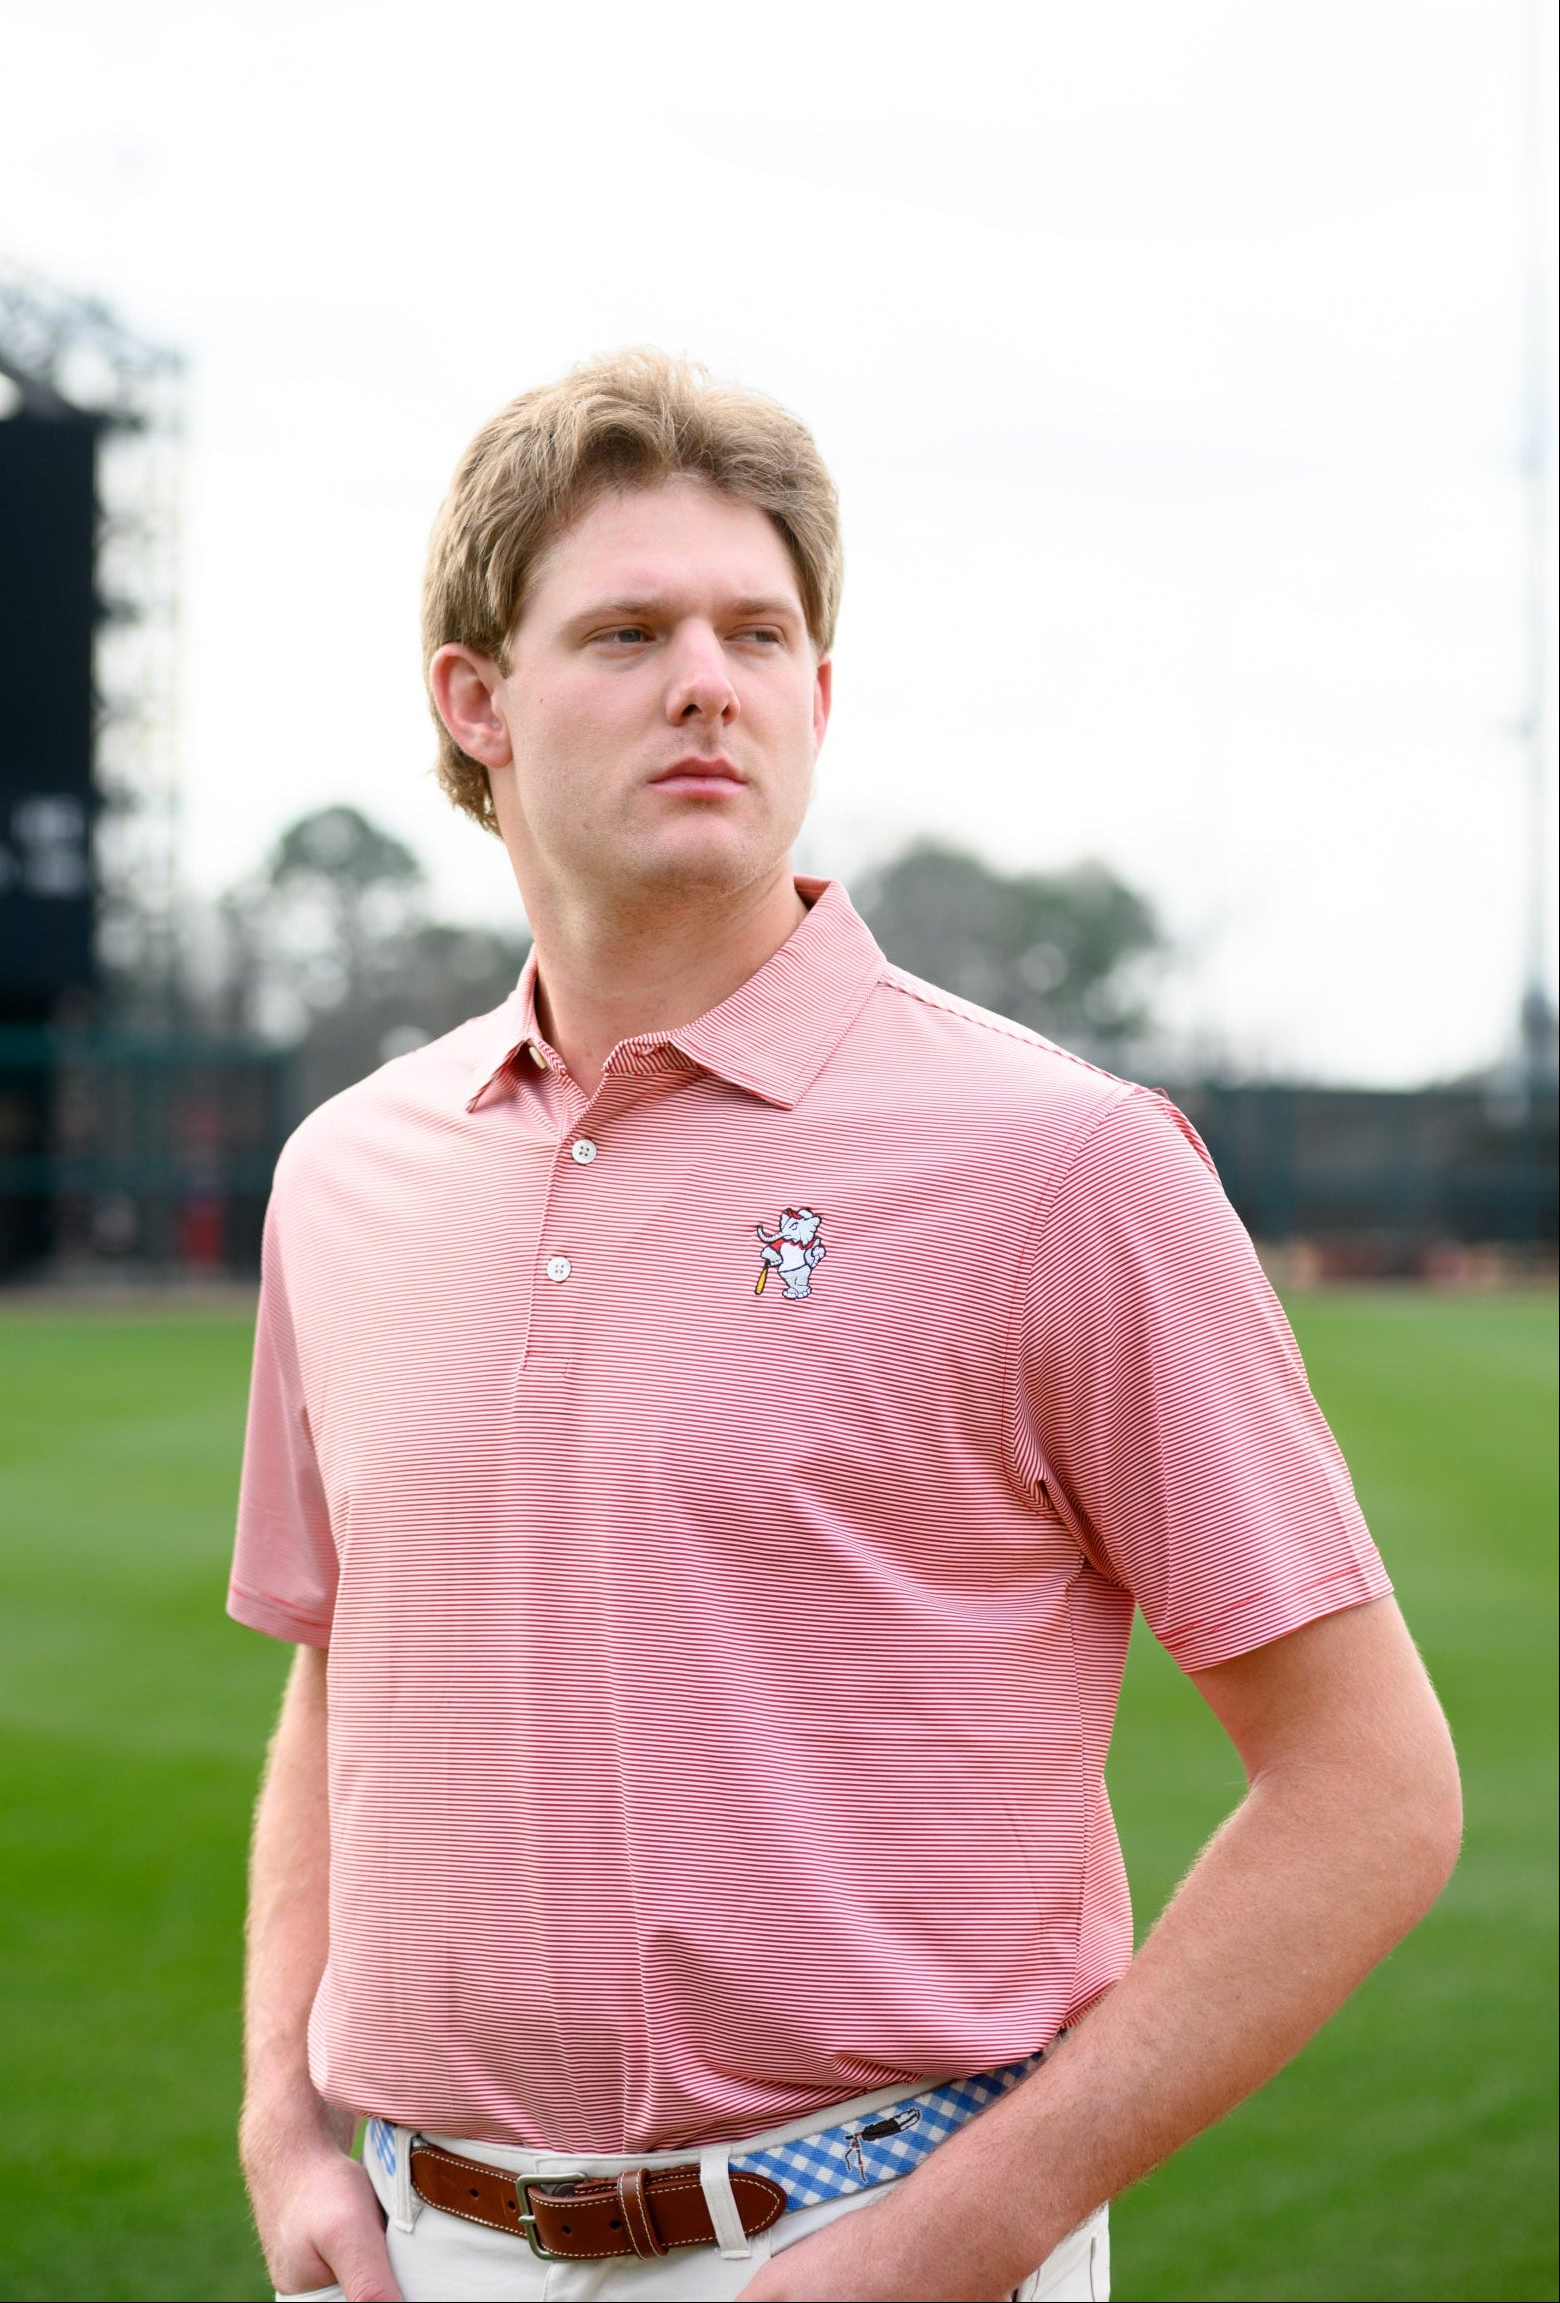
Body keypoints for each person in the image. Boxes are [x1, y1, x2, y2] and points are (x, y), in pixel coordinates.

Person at [229, 351, 1462, 2303]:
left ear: (820, 691)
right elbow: (338, 1675)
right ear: (474, 700)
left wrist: (962, 2231)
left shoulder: (1062, 1164)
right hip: (418, 2241)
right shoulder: (345, 1175)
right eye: (626, 632)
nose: (707, 680)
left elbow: (1371, 1789)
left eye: (758, 633)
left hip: (876, 2234)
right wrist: (281, 2122)